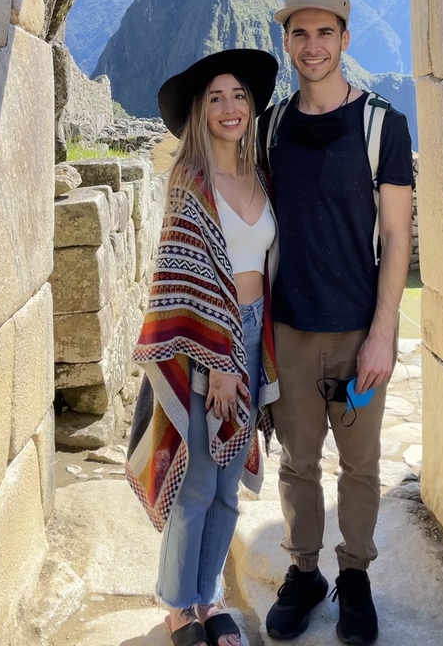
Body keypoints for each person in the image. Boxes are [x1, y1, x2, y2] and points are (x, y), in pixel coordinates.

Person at [257, 0, 414, 646]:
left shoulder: (381, 124)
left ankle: (354, 575)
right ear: (287, 42)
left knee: (358, 465)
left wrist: (383, 335)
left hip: (358, 331)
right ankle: (304, 572)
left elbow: (399, 239)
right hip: (290, 327)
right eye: (301, 34)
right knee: (297, 463)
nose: (313, 46)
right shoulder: (270, 126)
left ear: (345, 39)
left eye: (326, 33)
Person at [127, 49, 281, 646]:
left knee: (225, 486)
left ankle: (210, 598)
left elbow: (269, 268)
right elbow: (176, 274)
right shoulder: (190, 181)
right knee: (195, 479)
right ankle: (177, 608)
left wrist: (251, 353)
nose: (229, 107)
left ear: (251, 106)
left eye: (238, 96)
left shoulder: (261, 176)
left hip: (251, 332)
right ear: (200, 110)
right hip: (199, 344)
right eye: (215, 98)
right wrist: (216, 363)